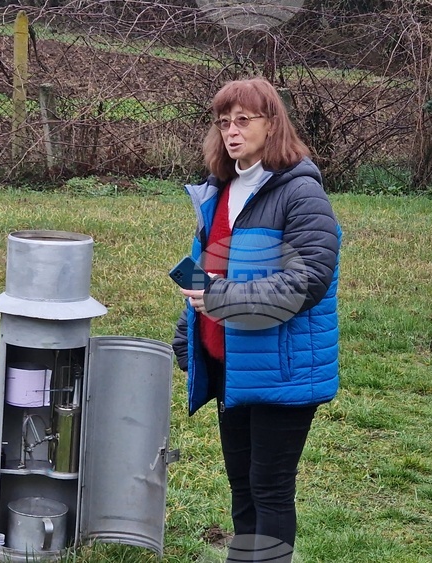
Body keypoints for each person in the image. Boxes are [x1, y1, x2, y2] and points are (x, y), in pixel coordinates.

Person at [172, 77, 341, 562]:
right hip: (232, 368)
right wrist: (190, 339)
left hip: (282, 369)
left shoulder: (299, 193)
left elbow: (308, 280)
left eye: (244, 120)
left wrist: (224, 299)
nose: (232, 130)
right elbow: (207, 269)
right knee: (242, 488)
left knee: (269, 490)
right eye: (224, 122)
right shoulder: (220, 191)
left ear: (272, 125)